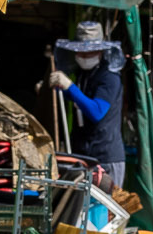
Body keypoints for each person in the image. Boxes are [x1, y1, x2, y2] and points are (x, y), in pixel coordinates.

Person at [48, 19, 127, 192]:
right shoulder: (85, 74)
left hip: (105, 156)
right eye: (80, 53)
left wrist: (70, 86)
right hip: (85, 155)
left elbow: (96, 111)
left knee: (106, 211)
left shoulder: (109, 77)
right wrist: (60, 89)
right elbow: (80, 101)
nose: (83, 57)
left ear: (99, 51)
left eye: (88, 53)